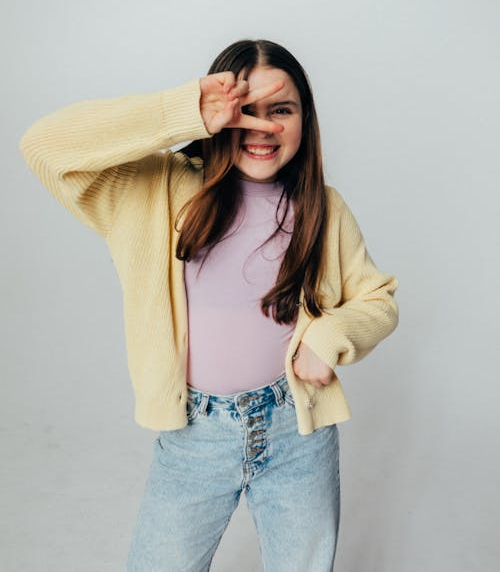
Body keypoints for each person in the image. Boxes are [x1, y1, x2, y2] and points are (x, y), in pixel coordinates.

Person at [19, 38, 399, 571]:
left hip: (298, 433)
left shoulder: (322, 208)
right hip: (196, 435)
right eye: (245, 111)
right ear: (216, 116)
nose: (262, 128)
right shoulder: (160, 192)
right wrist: (180, 111)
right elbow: (44, 146)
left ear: (304, 120)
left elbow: (377, 300)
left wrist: (328, 336)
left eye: (280, 111)